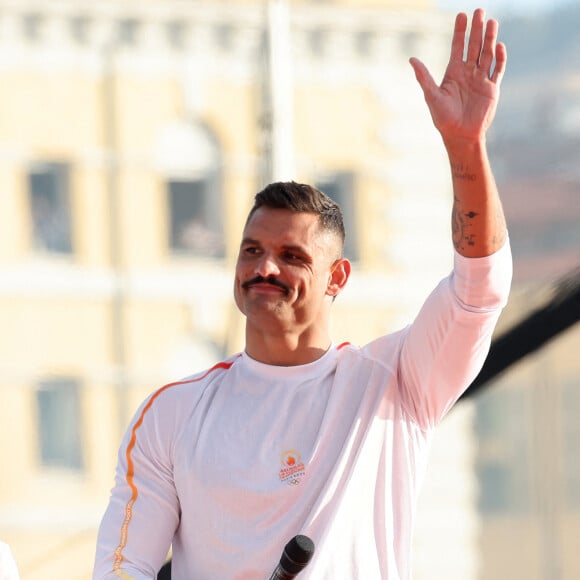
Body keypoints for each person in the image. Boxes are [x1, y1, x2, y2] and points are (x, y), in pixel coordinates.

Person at [93, 8, 512, 579]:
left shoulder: (395, 383)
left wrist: (465, 147)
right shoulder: (171, 415)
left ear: (337, 278)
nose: (264, 267)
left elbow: (480, 290)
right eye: (251, 250)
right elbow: (124, 570)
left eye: (292, 256)